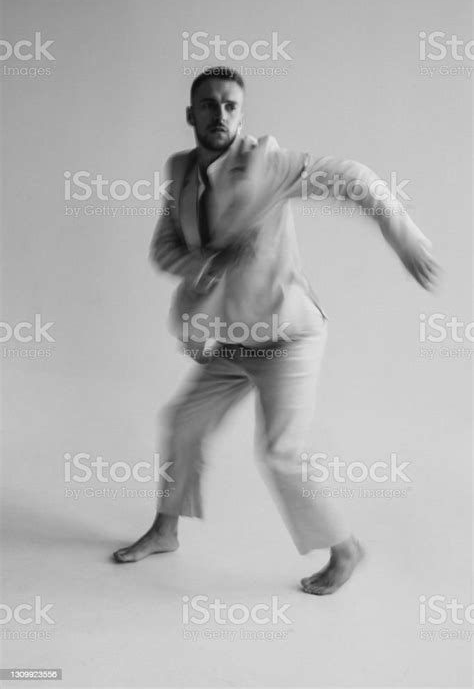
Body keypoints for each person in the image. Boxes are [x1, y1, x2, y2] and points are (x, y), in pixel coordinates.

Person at [113, 67, 439, 595]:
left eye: (231, 106)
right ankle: (165, 531)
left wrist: (398, 231)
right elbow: (163, 247)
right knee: (182, 424)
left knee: (279, 453)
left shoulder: (267, 163)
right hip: (232, 340)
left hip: (288, 338)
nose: (220, 114)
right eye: (209, 104)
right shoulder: (178, 171)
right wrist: (206, 264)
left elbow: (352, 177)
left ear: (242, 113)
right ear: (190, 113)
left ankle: (345, 549)